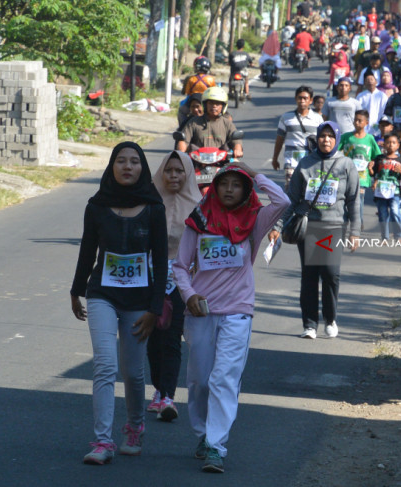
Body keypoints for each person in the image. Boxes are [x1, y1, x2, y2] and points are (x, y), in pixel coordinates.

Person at [173, 162, 289, 473]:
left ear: (246, 189)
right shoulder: (197, 219)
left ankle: (216, 445)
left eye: (236, 184)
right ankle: (203, 434)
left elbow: (283, 201)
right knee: (199, 381)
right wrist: (189, 295)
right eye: (223, 183)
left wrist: (254, 174)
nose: (228, 189)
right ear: (215, 187)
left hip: (238, 311)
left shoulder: (255, 220)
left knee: (224, 378)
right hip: (201, 312)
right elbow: (181, 266)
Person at [71, 141, 168, 465]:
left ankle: (135, 427)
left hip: (140, 301)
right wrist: (76, 290)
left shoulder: (154, 207)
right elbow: (88, 251)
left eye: (134, 162)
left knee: (133, 372)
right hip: (102, 294)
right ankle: (102, 441)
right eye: (121, 161)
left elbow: (162, 260)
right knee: (105, 365)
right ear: (111, 166)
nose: (128, 166)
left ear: (143, 168)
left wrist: (156, 308)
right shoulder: (96, 206)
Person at [268, 121, 361, 340]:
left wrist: (354, 232)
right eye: (322, 135)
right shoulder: (305, 163)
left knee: (330, 274)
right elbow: (291, 199)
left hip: (333, 226)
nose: (326, 139)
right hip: (308, 226)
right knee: (309, 277)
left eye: (330, 136)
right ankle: (310, 324)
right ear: (317, 138)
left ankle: (330, 319)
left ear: (336, 138)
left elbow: (354, 201)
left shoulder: (346, 165)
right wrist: (277, 226)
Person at [146, 151, 202, 422]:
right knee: (152, 337)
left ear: (188, 173)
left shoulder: (199, 205)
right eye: (169, 170)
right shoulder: (148, 200)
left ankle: (167, 395)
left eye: (180, 171)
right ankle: (157, 389)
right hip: (148, 277)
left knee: (172, 338)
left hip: (183, 279)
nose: (174, 176)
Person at [272, 85, 325, 190]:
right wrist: (275, 158)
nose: (302, 101)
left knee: (309, 192)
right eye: (300, 98)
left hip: (311, 162)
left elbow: (322, 140)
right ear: (296, 99)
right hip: (291, 162)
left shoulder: (318, 119)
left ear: (310, 100)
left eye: (305, 98)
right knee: (291, 191)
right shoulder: (286, 118)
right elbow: (279, 139)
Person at [339, 109, 383, 232]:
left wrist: (373, 164)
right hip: (347, 174)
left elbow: (377, 156)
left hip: (363, 177)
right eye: (355, 120)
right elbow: (336, 149)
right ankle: (346, 219)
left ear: (366, 123)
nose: (357, 123)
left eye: (360, 120)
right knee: (346, 197)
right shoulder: (347, 137)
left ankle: (359, 221)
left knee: (359, 199)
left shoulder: (370, 139)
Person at [178, 87, 244, 159]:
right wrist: (181, 152)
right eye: (211, 103)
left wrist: (237, 150)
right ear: (205, 105)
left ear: (223, 106)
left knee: (241, 169)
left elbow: (236, 141)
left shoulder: (227, 124)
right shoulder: (193, 122)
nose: (214, 106)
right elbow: (184, 141)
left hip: (222, 163)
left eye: (217, 103)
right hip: (197, 163)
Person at [370, 133, 401, 242]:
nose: (390, 145)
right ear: (384, 145)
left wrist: (400, 170)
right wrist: (370, 169)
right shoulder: (379, 159)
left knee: (395, 211)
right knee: (382, 214)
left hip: (395, 191)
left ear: (397, 146)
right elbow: (374, 174)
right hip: (380, 192)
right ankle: (385, 237)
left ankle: (399, 235)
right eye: (388, 142)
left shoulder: (400, 160)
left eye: (393, 143)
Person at [357, 70, 389, 135]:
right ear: (364, 83)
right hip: (364, 127)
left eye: (371, 79)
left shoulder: (382, 95)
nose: (370, 81)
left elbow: (385, 111)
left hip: (378, 127)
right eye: (367, 80)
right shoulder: (360, 96)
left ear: (376, 82)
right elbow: (358, 111)